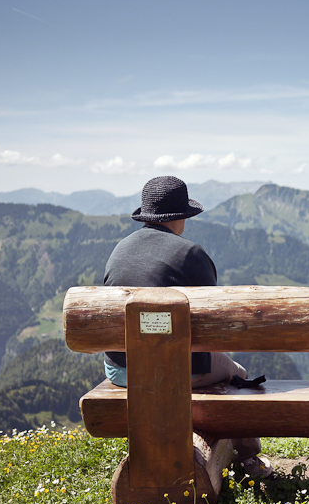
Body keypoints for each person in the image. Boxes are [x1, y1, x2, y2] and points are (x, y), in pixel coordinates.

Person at [103, 175, 271, 477]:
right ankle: (249, 460)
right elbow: (216, 320)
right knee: (238, 375)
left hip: (121, 369)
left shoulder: (119, 251)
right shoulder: (190, 254)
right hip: (178, 369)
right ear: (180, 216)